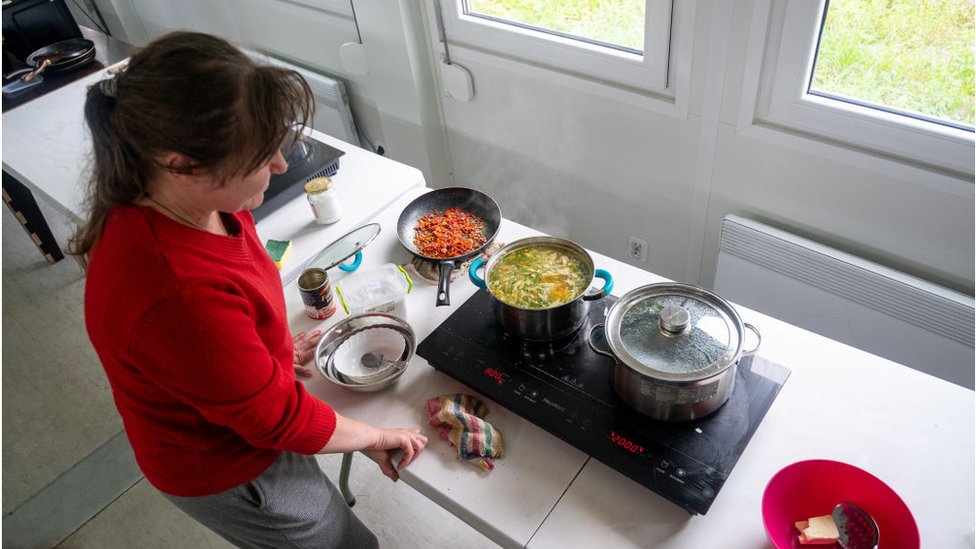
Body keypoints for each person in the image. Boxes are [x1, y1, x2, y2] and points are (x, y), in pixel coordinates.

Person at [70, 31, 427, 548]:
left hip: (242, 420)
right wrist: (377, 436)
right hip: (231, 467)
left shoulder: (191, 200)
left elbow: (228, 322)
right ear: (179, 163)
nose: (281, 167)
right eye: (262, 156)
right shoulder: (176, 293)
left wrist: (267, 355)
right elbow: (278, 423)